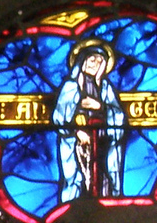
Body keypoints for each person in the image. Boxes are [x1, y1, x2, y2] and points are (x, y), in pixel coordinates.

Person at [52, 37, 127, 201]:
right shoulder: (71, 87)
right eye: (92, 59)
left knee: (101, 175)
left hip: (102, 141)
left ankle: (104, 197)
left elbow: (118, 116)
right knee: (80, 177)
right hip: (77, 142)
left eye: (100, 61)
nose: (95, 64)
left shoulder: (106, 88)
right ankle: (77, 199)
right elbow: (59, 117)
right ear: (82, 61)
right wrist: (76, 131)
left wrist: (100, 107)